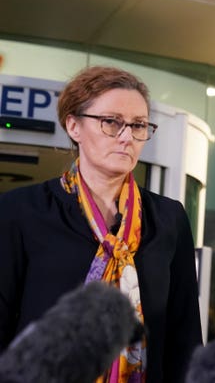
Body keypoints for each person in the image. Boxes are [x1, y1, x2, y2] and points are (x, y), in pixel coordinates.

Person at [0, 66, 202, 382]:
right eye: (111, 122)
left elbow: (184, 334)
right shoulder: (21, 211)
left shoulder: (168, 218)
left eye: (138, 125)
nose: (127, 136)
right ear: (74, 126)